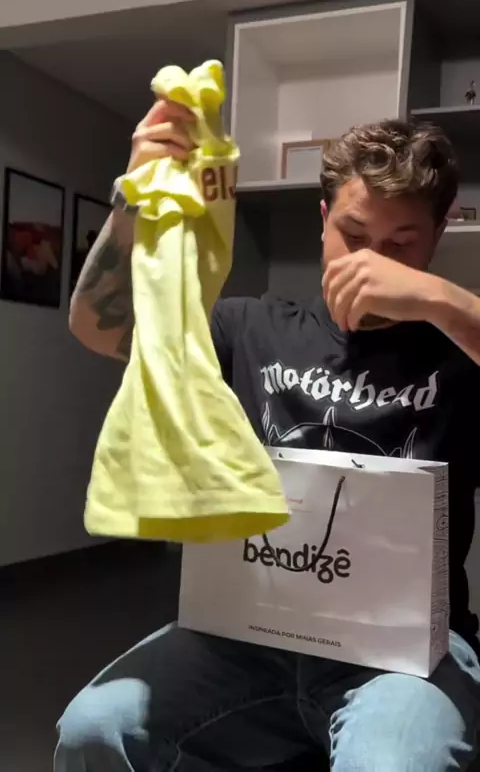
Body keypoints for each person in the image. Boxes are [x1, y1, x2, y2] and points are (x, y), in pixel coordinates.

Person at [56, 100, 480, 772]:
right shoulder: (249, 327)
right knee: (93, 728)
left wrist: (442, 300)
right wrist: (135, 196)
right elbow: (100, 327)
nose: (372, 263)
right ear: (322, 219)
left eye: (402, 244)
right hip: (247, 636)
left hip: (404, 656)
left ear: (438, 233)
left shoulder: (459, 353)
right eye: (354, 234)